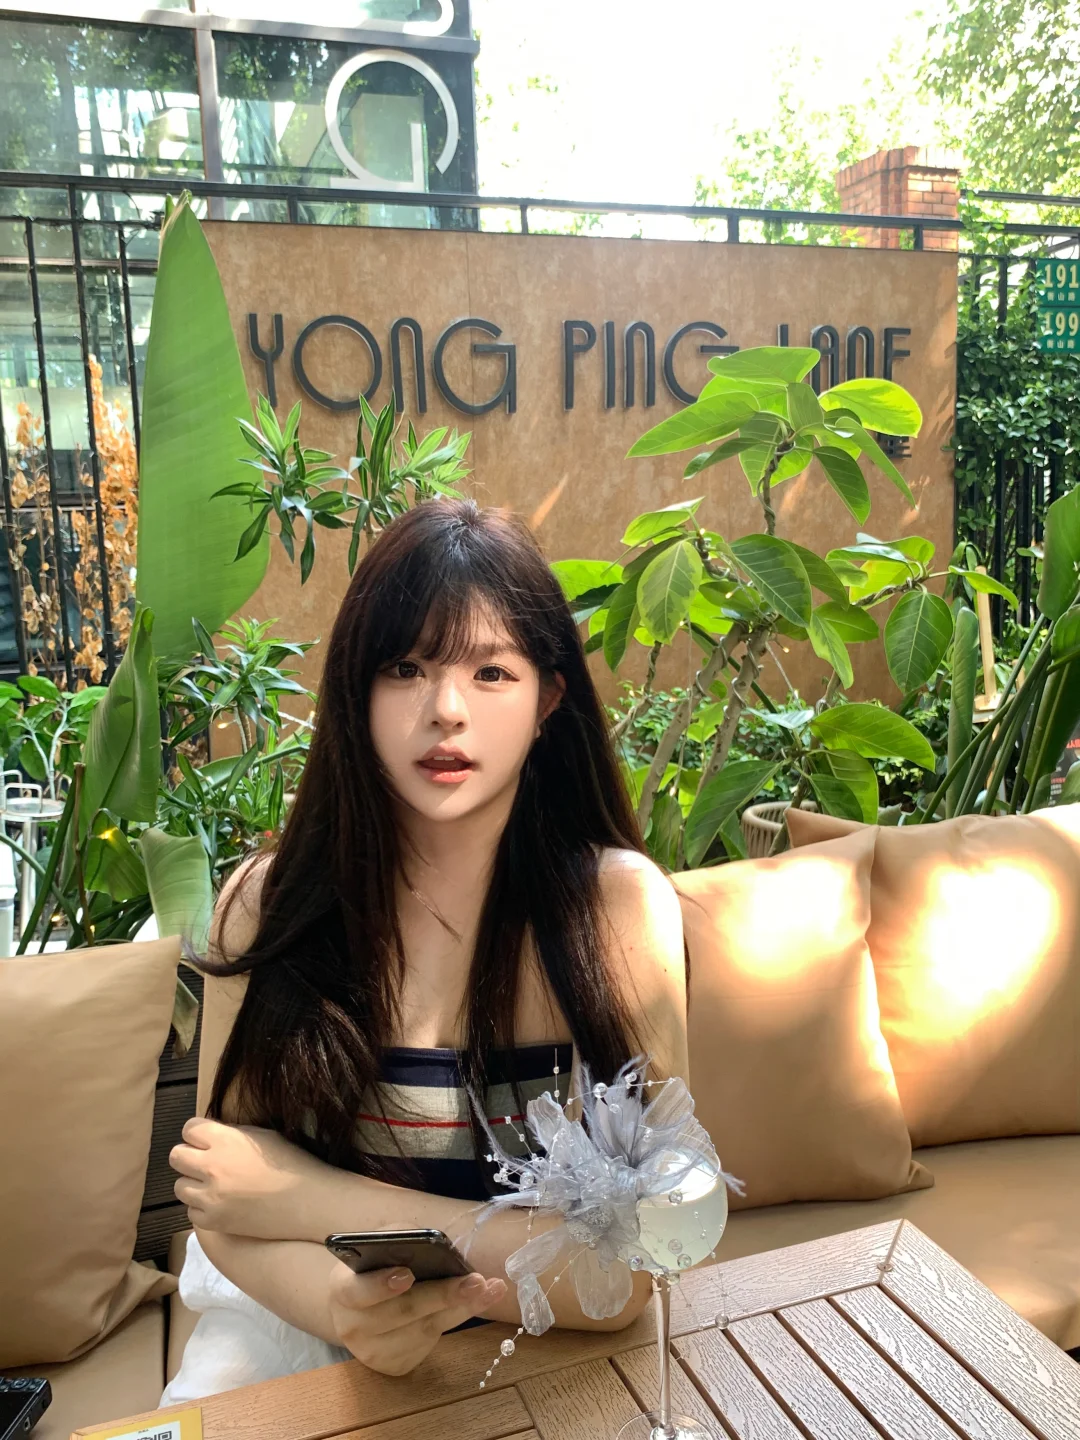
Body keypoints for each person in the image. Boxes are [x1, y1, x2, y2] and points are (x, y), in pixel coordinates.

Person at [163, 498, 688, 1399]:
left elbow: (634, 1265)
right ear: (356, 691)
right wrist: (342, 1306)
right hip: (297, 1328)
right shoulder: (266, 904)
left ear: (548, 698)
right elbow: (225, 1201)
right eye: (405, 667)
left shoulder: (616, 911)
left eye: (491, 672)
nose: (446, 711)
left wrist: (311, 1198)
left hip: (550, 1355)